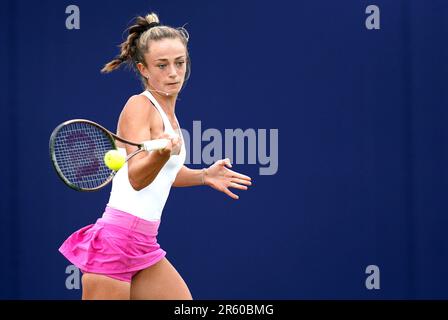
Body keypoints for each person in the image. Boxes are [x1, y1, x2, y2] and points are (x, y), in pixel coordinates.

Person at [59, 12, 252, 300]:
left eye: (180, 63)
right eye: (162, 65)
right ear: (144, 69)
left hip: (144, 243)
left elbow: (164, 174)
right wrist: (162, 153)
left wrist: (202, 175)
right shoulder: (139, 106)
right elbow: (138, 176)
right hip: (115, 241)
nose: (173, 72)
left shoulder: (168, 115)